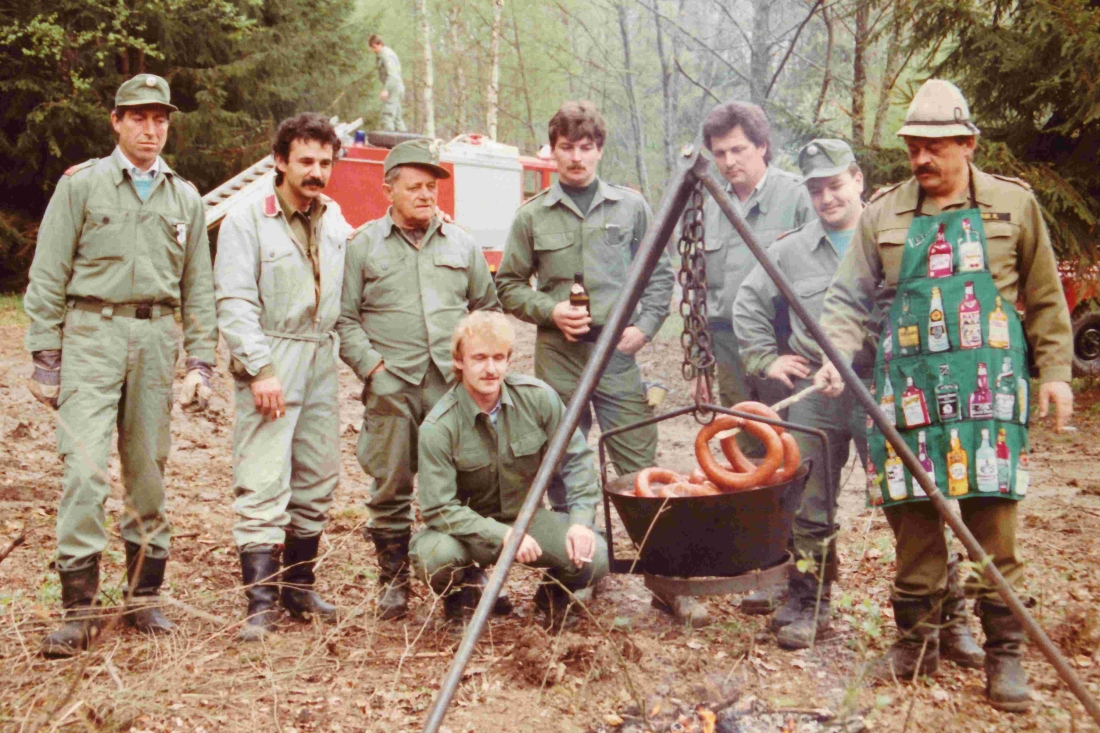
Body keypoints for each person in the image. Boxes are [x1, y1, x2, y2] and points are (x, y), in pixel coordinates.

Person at [814, 79, 1074, 711]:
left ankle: (1005, 655)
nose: (922, 159)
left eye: (934, 147)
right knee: (914, 527)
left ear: (967, 143)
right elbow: (847, 298)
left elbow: (1045, 299)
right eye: (913, 148)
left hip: (989, 399)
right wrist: (835, 352)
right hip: (907, 394)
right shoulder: (883, 213)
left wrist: (1056, 373)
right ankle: (917, 644)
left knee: (993, 530)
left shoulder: (1014, 205)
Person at [733, 140, 984, 666]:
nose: (827, 198)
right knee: (808, 500)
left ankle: (947, 614)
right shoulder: (790, 250)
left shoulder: (897, 233)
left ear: (858, 180)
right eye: (816, 190)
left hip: (887, 384)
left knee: (914, 501)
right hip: (818, 393)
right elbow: (748, 302)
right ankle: (809, 601)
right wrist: (766, 360)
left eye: (835, 185)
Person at [24, 74, 217, 657]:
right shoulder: (82, 185)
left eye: (160, 119)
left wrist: (200, 361)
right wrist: (46, 357)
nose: (150, 130)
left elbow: (198, 289)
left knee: (147, 472)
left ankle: (143, 597)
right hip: (91, 335)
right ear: (116, 121)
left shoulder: (185, 198)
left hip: (156, 340)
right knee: (84, 472)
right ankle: (79, 610)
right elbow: (48, 272)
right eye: (138, 117)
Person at [494, 101, 681, 618]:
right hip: (560, 354)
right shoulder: (532, 215)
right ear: (552, 151)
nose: (576, 158)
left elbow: (659, 273)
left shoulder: (631, 207)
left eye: (586, 147)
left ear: (599, 150)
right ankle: (577, 570)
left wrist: (645, 326)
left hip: (616, 353)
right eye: (566, 148)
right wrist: (549, 310)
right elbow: (508, 285)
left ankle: (667, 578)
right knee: (561, 458)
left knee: (639, 462)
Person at [337, 139, 500, 621]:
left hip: (452, 390)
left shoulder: (462, 244)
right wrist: (373, 370)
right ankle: (393, 581)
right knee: (391, 485)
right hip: (393, 388)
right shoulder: (363, 246)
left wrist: (473, 367)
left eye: (432, 186)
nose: (426, 195)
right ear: (388, 190)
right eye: (414, 187)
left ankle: (464, 580)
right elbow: (343, 319)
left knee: (465, 481)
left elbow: (487, 310)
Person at [214, 113, 352, 641]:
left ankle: (298, 587)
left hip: (320, 358)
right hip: (273, 355)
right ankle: (261, 602)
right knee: (264, 477)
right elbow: (234, 300)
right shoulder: (248, 219)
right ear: (280, 161)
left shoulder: (335, 218)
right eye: (306, 161)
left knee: (317, 475)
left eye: (325, 162)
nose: (317, 172)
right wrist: (260, 368)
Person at [410, 312, 608, 630]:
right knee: (434, 556)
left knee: (595, 555)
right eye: (479, 358)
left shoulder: (538, 398)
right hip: (467, 531)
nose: (491, 369)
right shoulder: (439, 426)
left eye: (498, 358)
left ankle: (552, 596)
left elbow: (577, 461)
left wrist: (581, 522)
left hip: (526, 519)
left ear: (508, 360)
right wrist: (502, 535)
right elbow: (439, 509)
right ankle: (464, 592)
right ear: (459, 361)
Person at [696, 101, 814, 616]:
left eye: (739, 150)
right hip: (727, 344)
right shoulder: (707, 202)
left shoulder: (797, 197)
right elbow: (695, 291)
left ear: (763, 146)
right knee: (745, 451)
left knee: (791, 454)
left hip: (785, 345)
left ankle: (799, 572)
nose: (729, 162)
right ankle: (761, 563)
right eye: (720, 153)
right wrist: (702, 364)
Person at [368, 34, 406, 133]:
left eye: (374, 47)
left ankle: (387, 139)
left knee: (387, 115)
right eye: (372, 48)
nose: (373, 50)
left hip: (393, 86)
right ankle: (404, 138)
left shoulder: (386, 55)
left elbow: (392, 75)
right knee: (397, 118)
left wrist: (386, 90)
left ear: (380, 44)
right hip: (396, 85)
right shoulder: (383, 54)